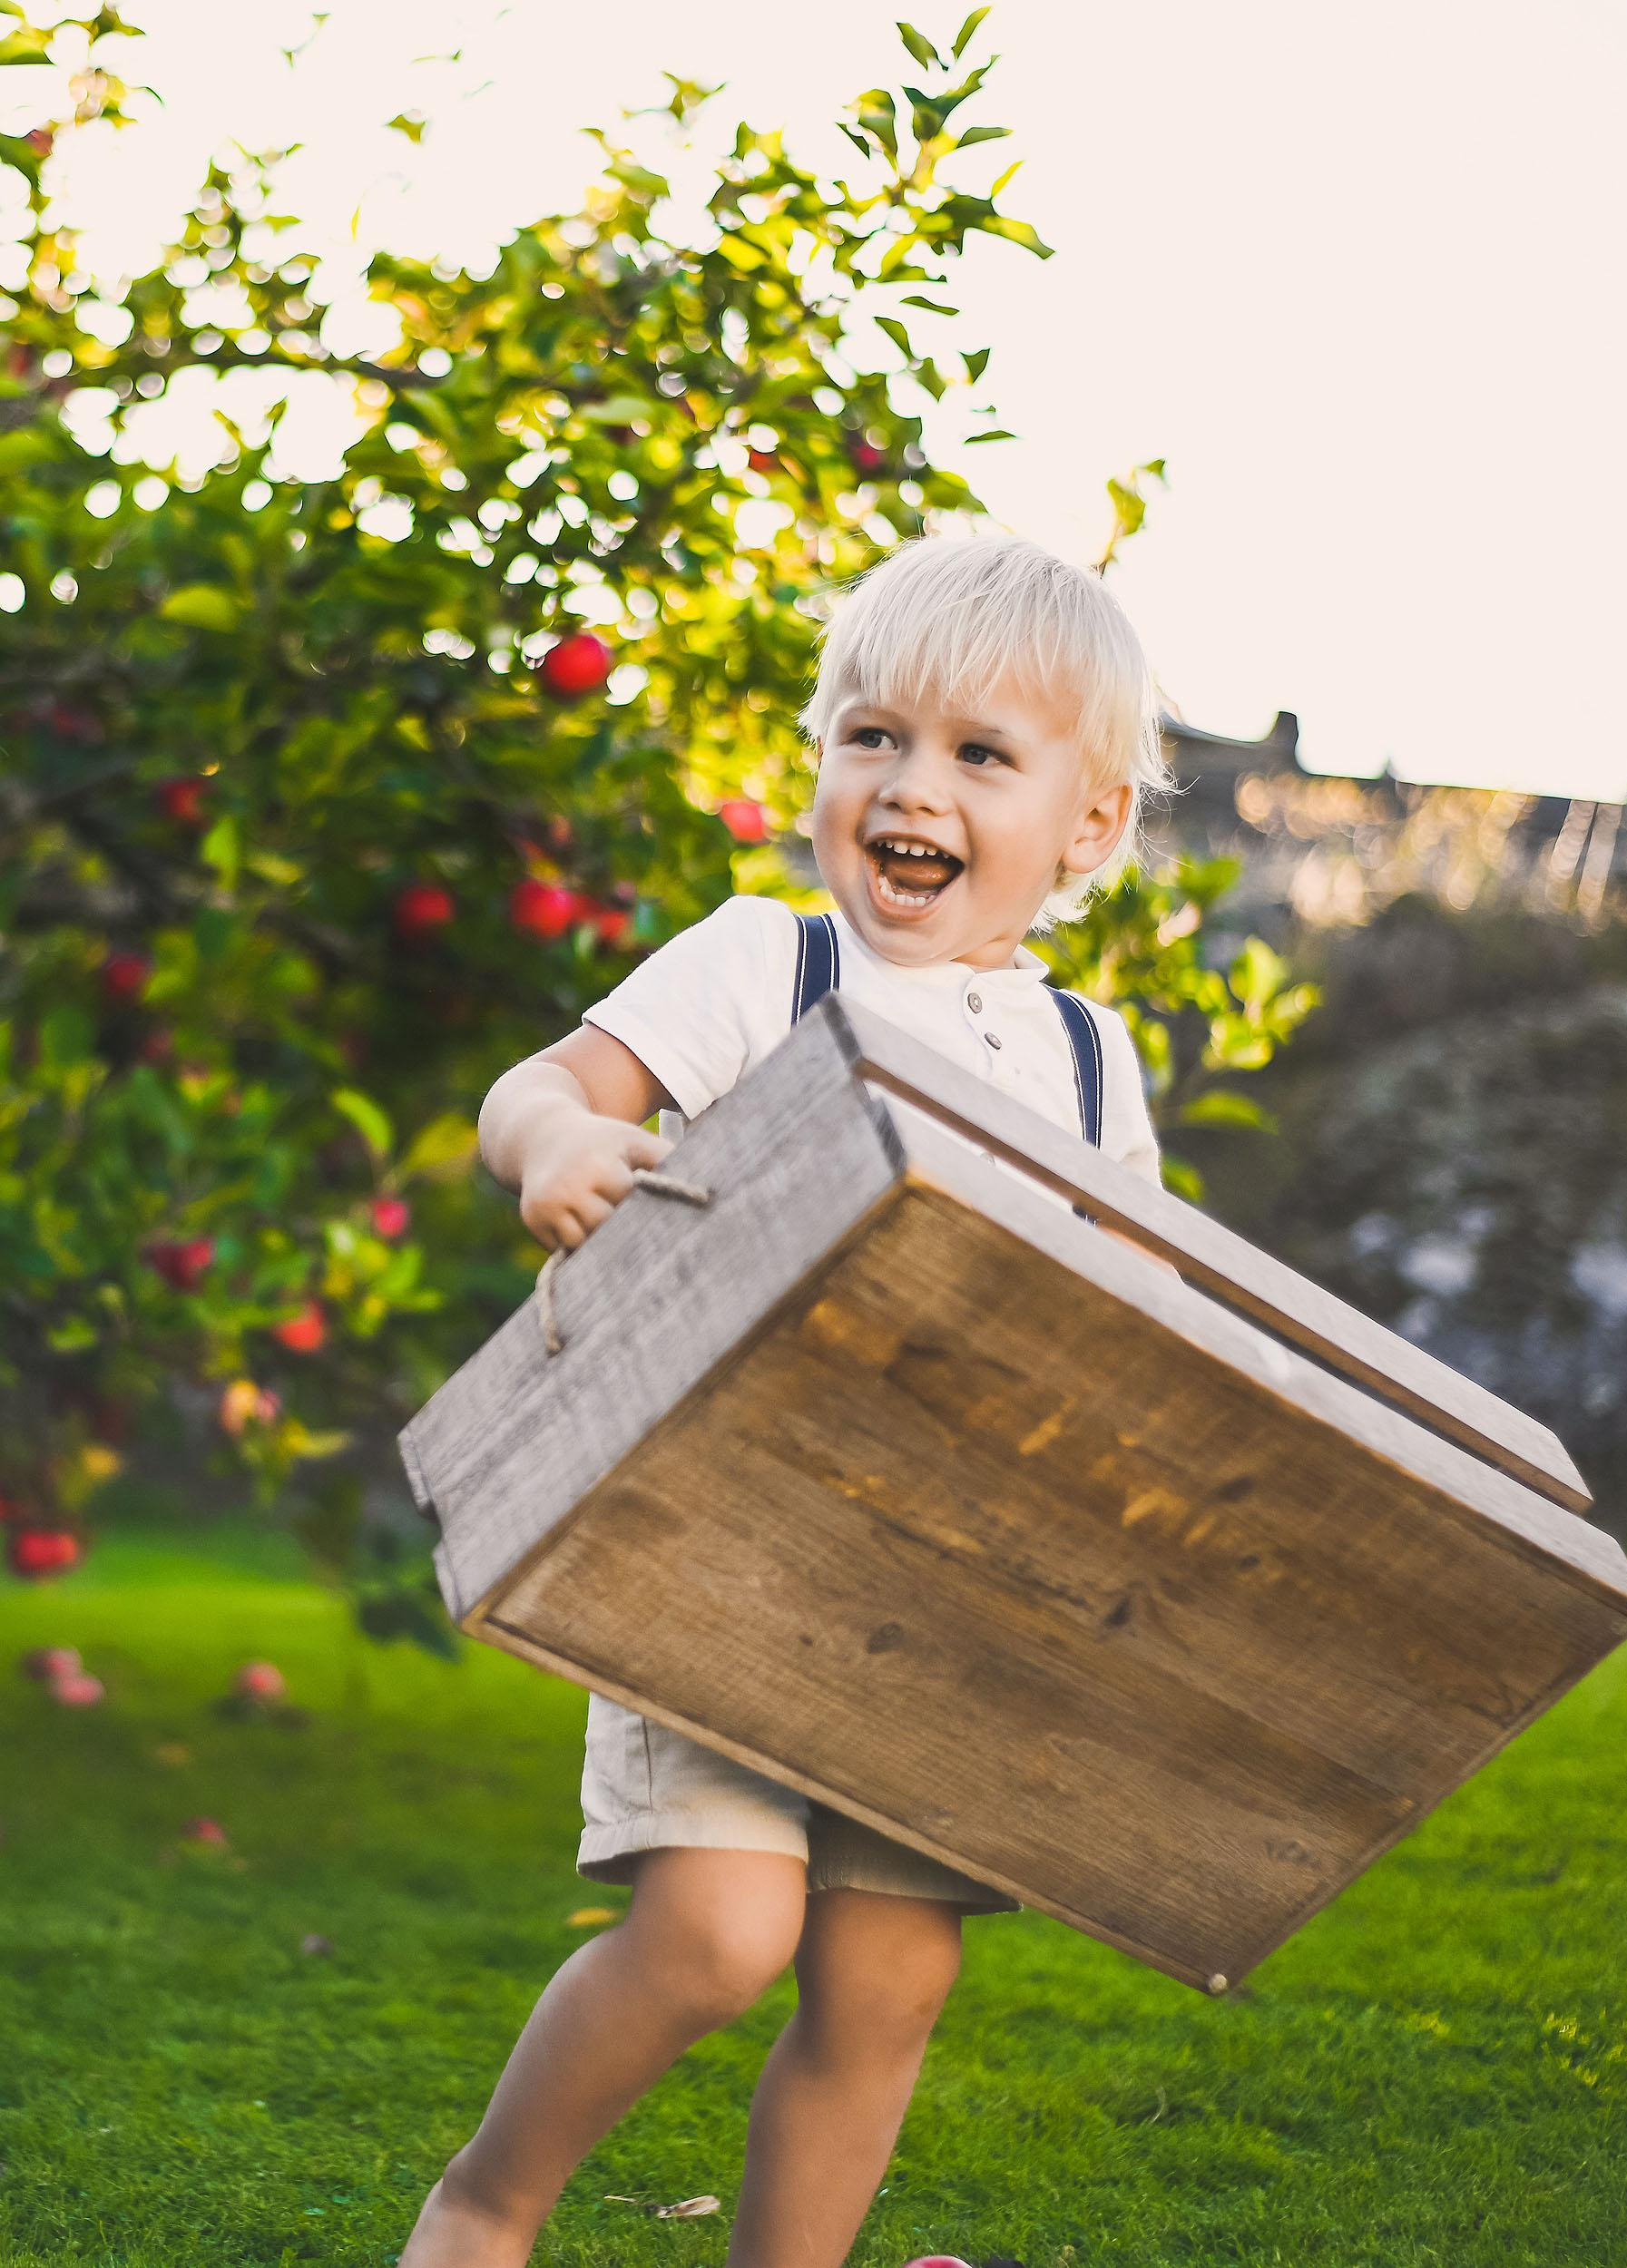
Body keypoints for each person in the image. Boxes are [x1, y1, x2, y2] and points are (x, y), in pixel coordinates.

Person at [399, 534, 1173, 2268]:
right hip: (721, 1547)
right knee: (722, 1930)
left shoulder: (1087, 1062)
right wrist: (558, 1140)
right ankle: (483, 2209)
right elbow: (541, 1085)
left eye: (981, 755)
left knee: (891, 1974)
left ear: (1090, 826)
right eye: (873, 736)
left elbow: (1126, 1316)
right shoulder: (769, 965)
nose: (912, 787)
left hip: (943, 1594)